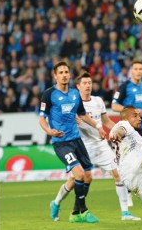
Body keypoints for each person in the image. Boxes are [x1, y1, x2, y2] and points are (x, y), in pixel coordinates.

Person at [49, 72, 141, 222]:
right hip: (82, 145)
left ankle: (125, 212)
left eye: (90, 83)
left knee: (118, 173)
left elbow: (106, 121)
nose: (88, 85)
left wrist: (120, 131)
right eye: (84, 83)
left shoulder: (98, 101)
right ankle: (56, 202)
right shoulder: (73, 103)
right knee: (77, 180)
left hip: (101, 144)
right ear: (78, 86)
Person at [38, 61, 98, 223]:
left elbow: (83, 115)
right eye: (61, 72)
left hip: (76, 140)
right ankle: (81, 212)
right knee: (78, 174)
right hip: (61, 143)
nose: (64, 75)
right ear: (55, 76)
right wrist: (49, 131)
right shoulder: (49, 94)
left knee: (87, 176)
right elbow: (42, 118)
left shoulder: (74, 94)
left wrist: (98, 127)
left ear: (69, 75)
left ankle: (57, 203)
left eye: (66, 72)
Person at [111, 60, 142, 206]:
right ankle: (129, 193)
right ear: (131, 71)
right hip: (131, 132)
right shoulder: (125, 86)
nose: (138, 71)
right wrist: (132, 112)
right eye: (136, 69)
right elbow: (114, 106)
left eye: (141, 69)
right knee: (131, 162)